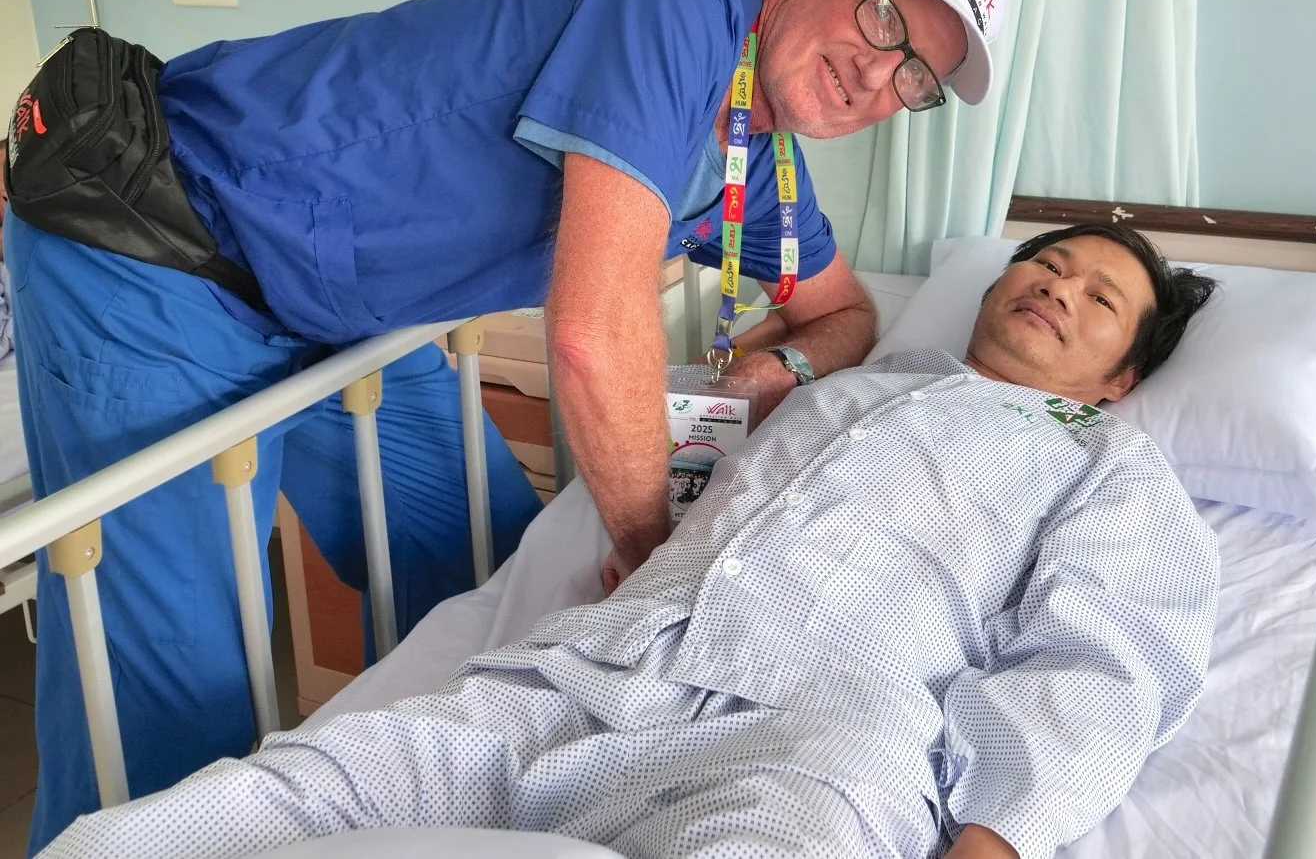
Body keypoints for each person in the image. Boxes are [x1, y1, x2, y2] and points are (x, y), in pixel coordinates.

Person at [5, 0, 1011, 851]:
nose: (879, 75)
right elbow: (591, 334)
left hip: (329, 314)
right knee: (171, 687)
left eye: (916, 79)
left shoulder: (761, 165)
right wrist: (655, 561)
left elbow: (847, 311)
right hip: (163, 241)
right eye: (884, 19)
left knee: (487, 564)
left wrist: (768, 370)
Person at [43, 223, 1221, 859]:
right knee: (287, 792)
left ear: (1120, 377)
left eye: (1098, 298)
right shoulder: (855, 386)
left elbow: (1104, 665)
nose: (1057, 288)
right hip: (601, 666)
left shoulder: (1107, 466)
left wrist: (996, 838)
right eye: (1047, 263)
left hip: (820, 730)